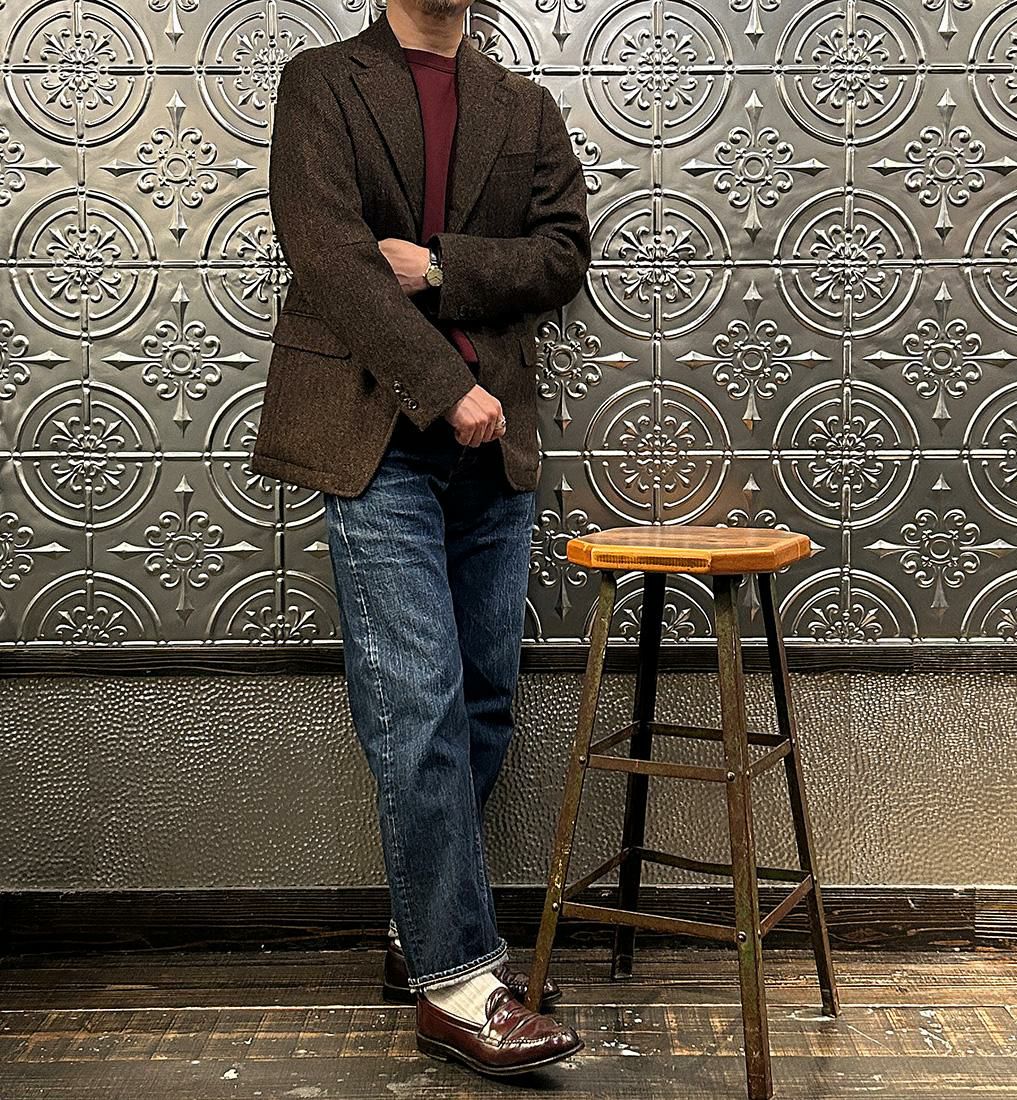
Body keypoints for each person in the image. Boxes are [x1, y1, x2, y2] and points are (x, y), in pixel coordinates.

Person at [249, 0, 592, 1080]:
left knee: (482, 697)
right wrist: (446, 386)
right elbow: (330, 260)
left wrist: (440, 265)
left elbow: (561, 256)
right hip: (375, 439)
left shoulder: (522, 105)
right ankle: (460, 987)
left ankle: (421, 930)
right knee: (418, 701)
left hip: (496, 446)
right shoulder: (320, 81)